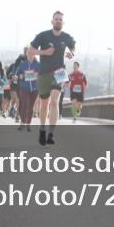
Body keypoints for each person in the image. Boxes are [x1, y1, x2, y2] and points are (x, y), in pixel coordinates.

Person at [30, 11, 75, 146]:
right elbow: (30, 51)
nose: (58, 21)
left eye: (60, 20)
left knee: (55, 102)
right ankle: (42, 130)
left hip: (60, 72)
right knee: (44, 104)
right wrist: (44, 52)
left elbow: (72, 49)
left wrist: (71, 54)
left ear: (63, 22)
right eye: (56, 19)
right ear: (52, 21)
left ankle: (51, 134)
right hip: (44, 72)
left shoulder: (67, 37)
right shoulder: (43, 36)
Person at [16, 47, 39, 132]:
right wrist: (20, 76)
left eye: (32, 53)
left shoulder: (38, 64)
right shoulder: (22, 64)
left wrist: (36, 75)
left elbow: (40, 75)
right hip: (24, 87)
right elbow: (18, 74)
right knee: (25, 104)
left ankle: (28, 124)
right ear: (26, 54)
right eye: (28, 53)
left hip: (35, 88)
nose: (30, 54)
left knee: (31, 106)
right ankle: (23, 123)